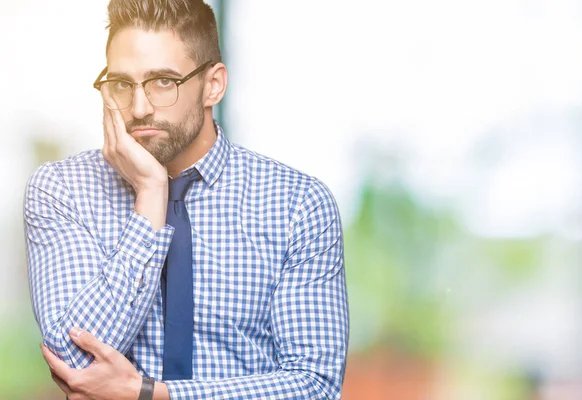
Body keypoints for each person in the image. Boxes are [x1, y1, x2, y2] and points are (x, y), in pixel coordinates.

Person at [23, 1, 349, 399]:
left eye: (164, 82)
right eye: (123, 84)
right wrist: (151, 194)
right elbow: (75, 365)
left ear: (213, 85)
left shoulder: (298, 204)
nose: (139, 108)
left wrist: (152, 395)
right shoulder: (63, 190)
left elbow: (314, 386)